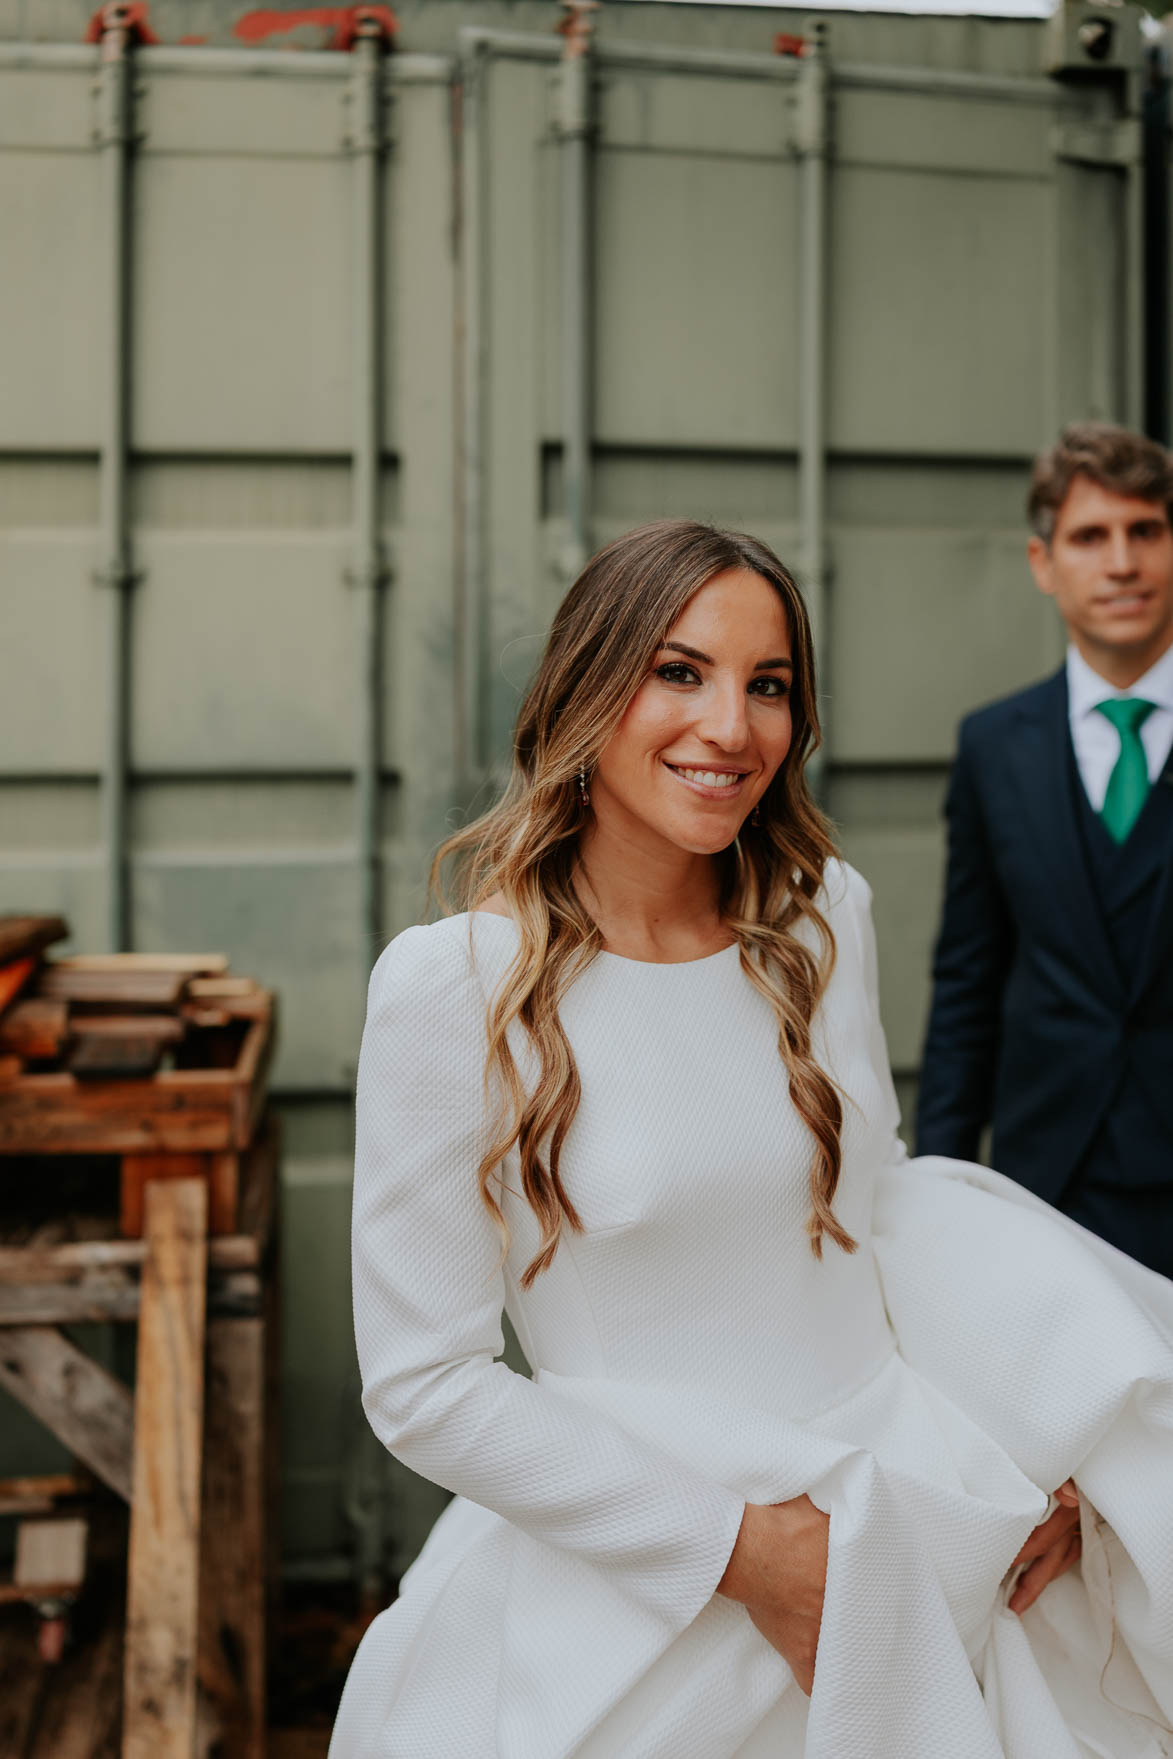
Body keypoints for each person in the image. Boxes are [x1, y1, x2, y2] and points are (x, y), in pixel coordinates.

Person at [330, 521, 1173, 1759]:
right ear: (588, 688)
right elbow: (425, 1386)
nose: (732, 727)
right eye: (681, 671)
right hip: (640, 1578)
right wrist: (744, 1554)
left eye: (768, 685)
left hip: (905, 1519)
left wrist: (1031, 1440)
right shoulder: (456, 987)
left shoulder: (820, 917)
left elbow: (884, 1220)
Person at [917, 423, 1173, 1279]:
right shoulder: (993, 745)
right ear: (1042, 561)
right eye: (1089, 537)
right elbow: (967, 978)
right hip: (1049, 1180)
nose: (1121, 562)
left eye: (1145, 530)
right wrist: (941, 1185)